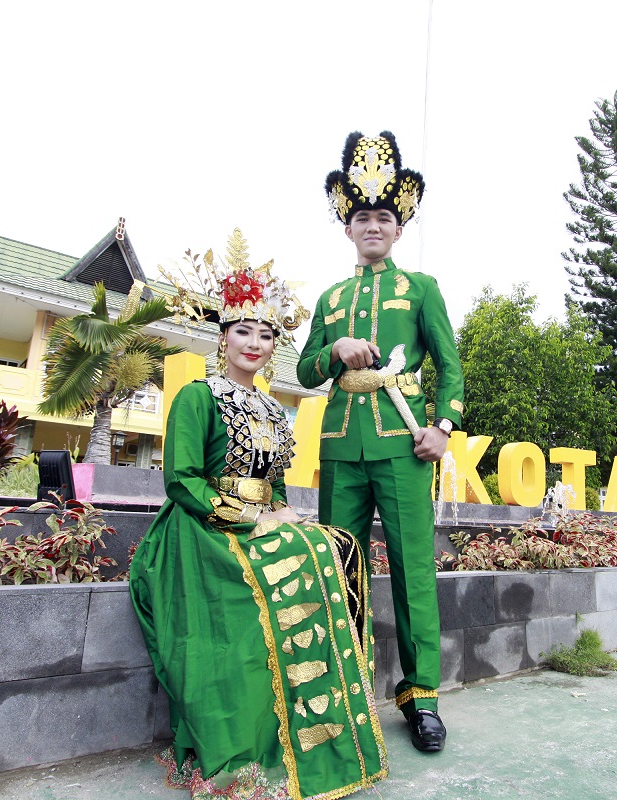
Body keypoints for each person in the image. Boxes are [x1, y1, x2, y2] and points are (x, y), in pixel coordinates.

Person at [130, 230, 387, 798]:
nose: (255, 342)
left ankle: (329, 724)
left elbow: (269, 484)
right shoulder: (199, 397)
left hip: (259, 516)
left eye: (267, 334)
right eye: (243, 330)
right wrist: (248, 519)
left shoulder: (272, 406)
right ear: (222, 337)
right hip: (200, 526)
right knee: (295, 559)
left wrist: (277, 512)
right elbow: (180, 480)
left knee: (336, 544)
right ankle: (261, 735)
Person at [298, 131, 465, 753]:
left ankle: (420, 698)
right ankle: (341, 693)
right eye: (363, 217)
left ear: (400, 228)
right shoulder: (330, 298)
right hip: (341, 448)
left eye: (384, 217)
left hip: (404, 445)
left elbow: (450, 366)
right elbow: (304, 369)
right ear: (348, 228)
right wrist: (333, 351)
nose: (373, 225)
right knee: (338, 571)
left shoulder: (421, 289)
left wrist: (443, 428)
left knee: (413, 573)